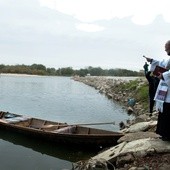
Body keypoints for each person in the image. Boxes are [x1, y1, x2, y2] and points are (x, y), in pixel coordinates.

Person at [144, 40, 170, 141]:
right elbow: (162, 63)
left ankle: (167, 135)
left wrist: (163, 75)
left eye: (166, 47)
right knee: (164, 113)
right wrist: (152, 60)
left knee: (168, 113)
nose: (165, 49)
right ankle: (163, 134)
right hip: (166, 90)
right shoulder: (169, 59)